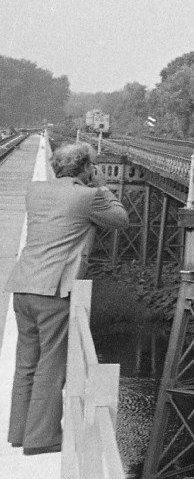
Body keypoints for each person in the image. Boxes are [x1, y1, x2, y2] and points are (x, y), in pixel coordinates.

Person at [6, 141, 129, 455]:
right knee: (51, 364)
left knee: (26, 364)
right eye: (92, 166)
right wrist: (102, 186)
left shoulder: (35, 191)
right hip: (53, 291)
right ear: (86, 168)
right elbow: (120, 218)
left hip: (24, 286)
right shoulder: (88, 196)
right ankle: (42, 438)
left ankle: (19, 431)